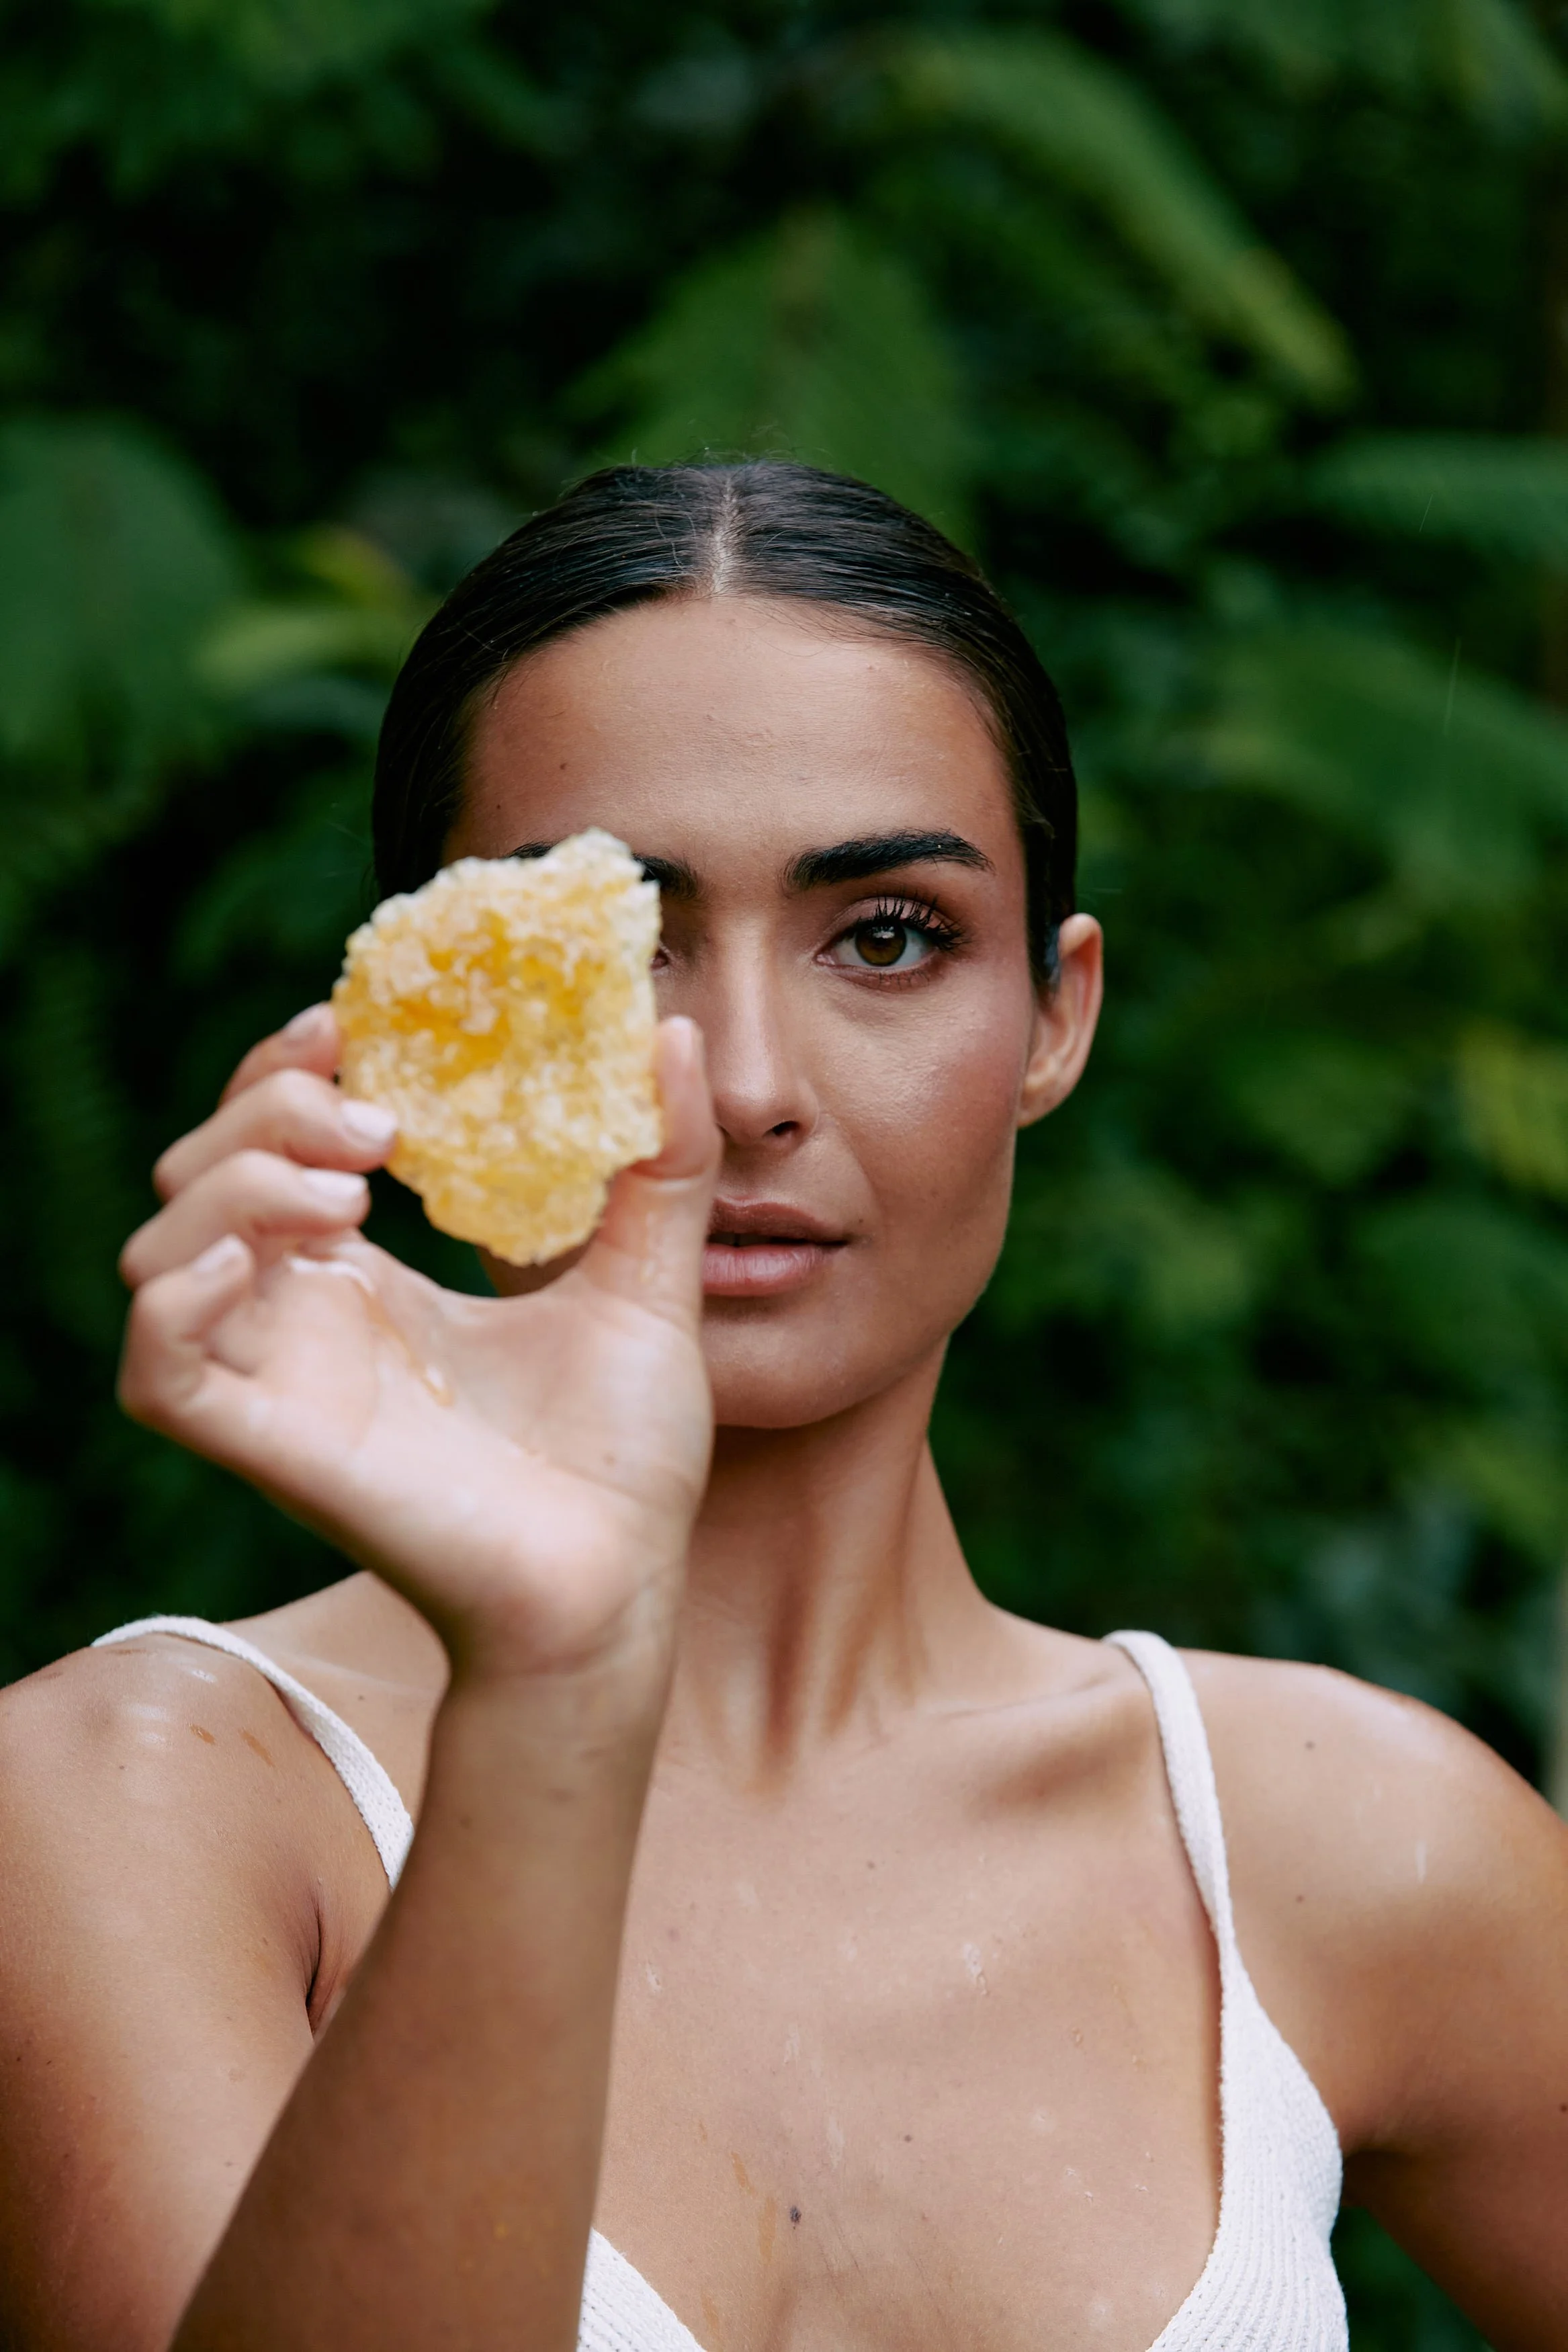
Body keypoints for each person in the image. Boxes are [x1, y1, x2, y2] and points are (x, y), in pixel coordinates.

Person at [0, 461, 1564, 2352]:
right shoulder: (131, 1804)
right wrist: (556, 1674)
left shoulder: (1335, 1839)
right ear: (423, 1006)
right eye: (612, 942)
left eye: (886, 934)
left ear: (1053, 1016)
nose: (740, 1083)